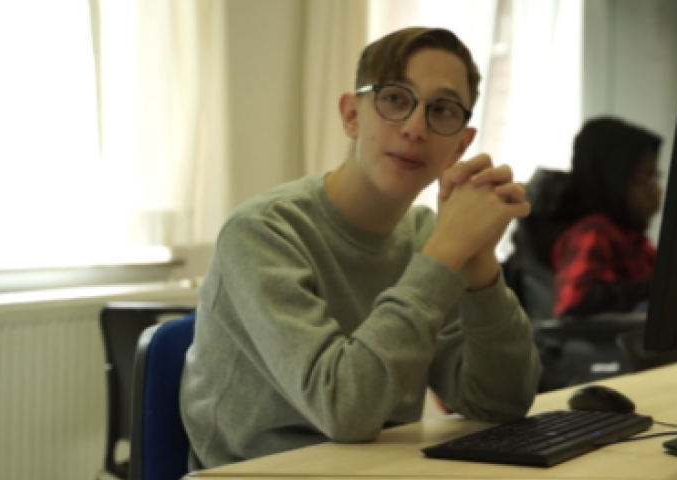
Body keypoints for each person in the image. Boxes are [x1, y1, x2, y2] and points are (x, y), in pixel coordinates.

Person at [180, 27, 542, 469]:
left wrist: (479, 263)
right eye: (394, 99)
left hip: (380, 468)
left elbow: (500, 403)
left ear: (460, 146)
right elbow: (343, 410)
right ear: (351, 115)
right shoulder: (261, 232)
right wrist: (446, 253)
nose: (414, 128)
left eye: (441, 110)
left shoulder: (427, 235)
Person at [513, 117, 662, 318]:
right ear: (613, 177)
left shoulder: (631, 237)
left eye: (656, 178)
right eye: (645, 180)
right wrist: (654, 289)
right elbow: (574, 301)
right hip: (609, 347)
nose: (657, 191)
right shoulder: (593, 232)